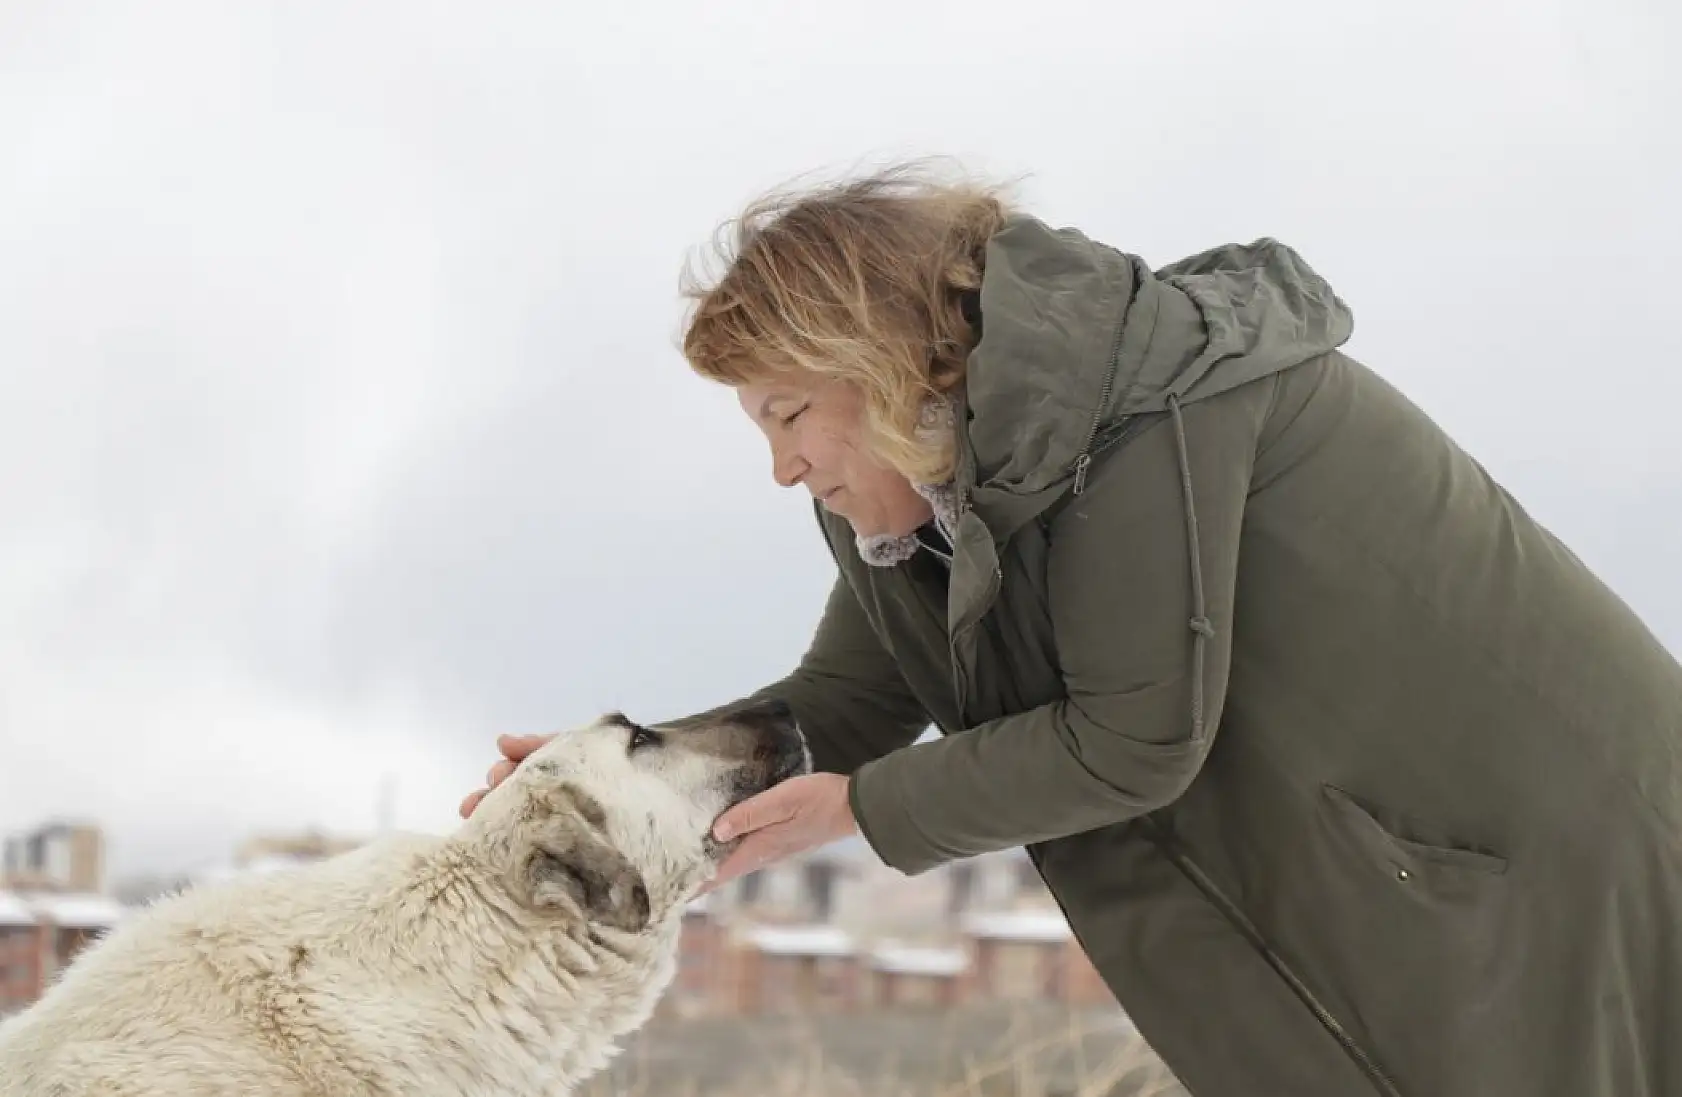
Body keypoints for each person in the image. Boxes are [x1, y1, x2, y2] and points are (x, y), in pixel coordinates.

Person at [458, 164, 1682, 1097]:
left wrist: (866, 813)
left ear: (877, 364)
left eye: (789, 414)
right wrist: (622, 789)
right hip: (1390, 897)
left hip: (1538, 868)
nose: (782, 468)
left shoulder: (1148, 412)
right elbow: (836, 713)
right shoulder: (914, 507)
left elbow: (1135, 735)